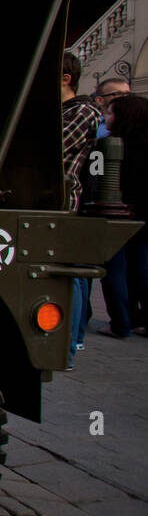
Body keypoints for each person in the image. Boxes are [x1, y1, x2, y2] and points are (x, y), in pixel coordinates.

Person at [60, 53, 102, 363]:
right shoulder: (65, 110)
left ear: (66, 78)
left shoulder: (83, 111)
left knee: (69, 274)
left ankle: (68, 347)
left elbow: (52, 147)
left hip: (62, 199)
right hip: (49, 199)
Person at [100, 95, 148, 339]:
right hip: (143, 217)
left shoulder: (112, 147)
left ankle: (121, 322)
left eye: (110, 113)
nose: (106, 117)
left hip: (118, 215)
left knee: (115, 269)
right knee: (141, 268)